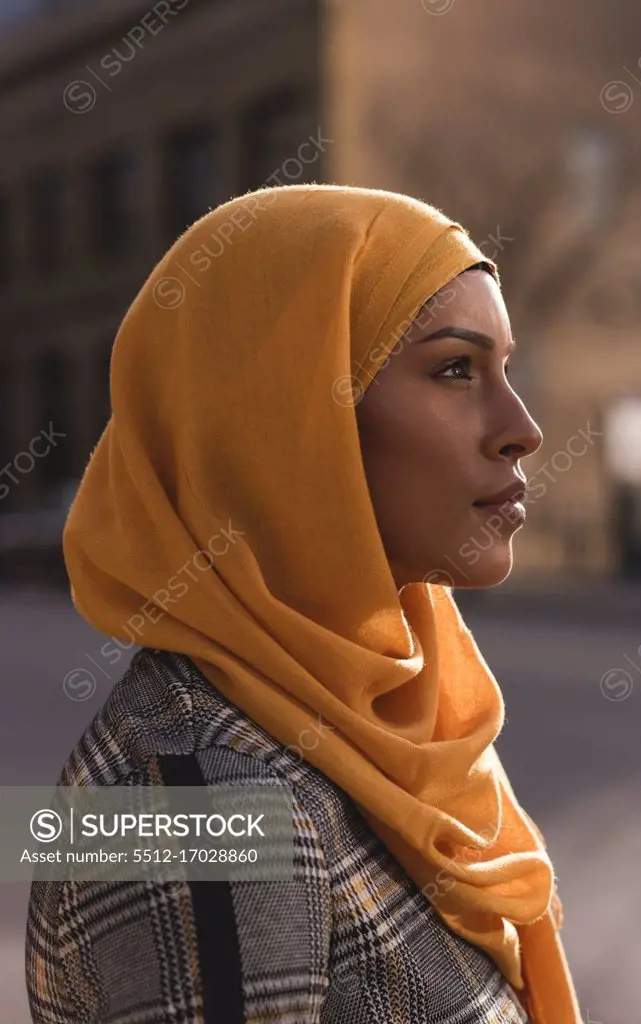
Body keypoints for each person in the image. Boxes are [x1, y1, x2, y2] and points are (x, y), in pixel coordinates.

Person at [25, 184, 582, 1023]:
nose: (521, 426)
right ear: (288, 418)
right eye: (454, 369)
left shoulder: (395, 708)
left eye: (505, 368)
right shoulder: (202, 804)